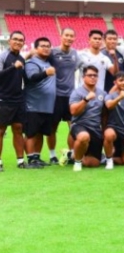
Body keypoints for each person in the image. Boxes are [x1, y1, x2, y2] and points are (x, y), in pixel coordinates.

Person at [48, 27, 82, 165]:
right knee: (52, 127)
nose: (69, 38)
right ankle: (52, 155)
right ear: (61, 36)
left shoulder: (75, 54)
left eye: (71, 36)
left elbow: (81, 68)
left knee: (73, 126)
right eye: (66, 35)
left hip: (70, 96)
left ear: (74, 38)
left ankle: (71, 153)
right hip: (55, 96)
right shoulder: (52, 53)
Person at [23, 37, 56, 168]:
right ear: (36, 48)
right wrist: (46, 73)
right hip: (33, 105)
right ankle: (30, 159)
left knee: (41, 132)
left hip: (47, 106)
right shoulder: (31, 63)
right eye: (42, 46)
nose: (46, 48)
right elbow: (32, 77)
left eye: (48, 46)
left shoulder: (49, 63)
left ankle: (36, 157)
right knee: (31, 133)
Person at [68, 65, 107, 171]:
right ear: (83, 77)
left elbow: (104, 114)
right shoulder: (77, 92)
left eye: (95, 75)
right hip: (80, 125)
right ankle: (77, 162)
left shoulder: (102, 94)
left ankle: (71, 155)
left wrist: (104, 130)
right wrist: (85, 99)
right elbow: (73, 111)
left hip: (95, 128)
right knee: (83, 136)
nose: (93, 77)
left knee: (93, 163)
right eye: (90, 75)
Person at [0, 31, 27, 171]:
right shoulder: (3, 56)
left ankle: (20, 161)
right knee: (1, 130)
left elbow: (23, 80)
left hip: (18, 100)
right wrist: (13, 67)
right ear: (9, 41)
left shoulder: (22, 59)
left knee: (18, 129)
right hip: (3, 99)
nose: (18, 42)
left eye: (21, 40)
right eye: (15, 39)